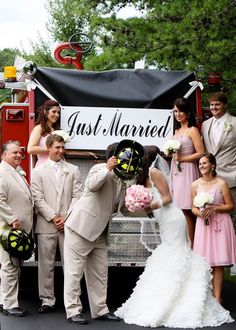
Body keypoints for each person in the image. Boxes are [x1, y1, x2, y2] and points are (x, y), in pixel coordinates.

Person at [115, 146, 234, 328]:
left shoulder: (154, 172)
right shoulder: (142, 175)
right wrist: (138, 205)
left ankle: (182, 300)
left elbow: (168, 198)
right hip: (162, 221)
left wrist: (147, 208)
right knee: (168, 255)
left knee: (177, 254)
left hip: (172, 219)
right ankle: (165, 296)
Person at [63, 140, 144, 324]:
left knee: (100, 274)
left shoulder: (123, 180)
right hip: (80, 228)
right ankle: (73, 311)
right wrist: (106, 168)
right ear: (113, 157)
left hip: (100, 232)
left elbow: (123, 209)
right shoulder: (99, 169)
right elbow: (91, 185)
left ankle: (100, 310)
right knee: (74, 273)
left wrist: (145, 206)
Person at [31, 134, 83, 314]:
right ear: (49, 148)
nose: (61, 150)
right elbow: (37, 198)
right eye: (57, 147)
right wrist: (54, 217)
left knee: (72, 265)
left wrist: (66, 217)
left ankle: (73, 301)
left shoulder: (73, 169)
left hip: (68, 224)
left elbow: (78, 195)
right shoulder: (38, 172)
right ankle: (47, 300)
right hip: (46, 224)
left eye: (62, 147)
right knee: (46, 265)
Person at [192, 152, 236, 303]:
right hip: (204, 225)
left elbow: (231, 206)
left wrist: (215, 209)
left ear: (213, 165)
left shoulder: (221, 183)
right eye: (199, 164)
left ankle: (217, 298)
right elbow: (193, 208)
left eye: (204, 163)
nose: (201, 166)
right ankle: (206, 295)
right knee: (205, 262)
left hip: (220, 224)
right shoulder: (195, 184)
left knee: (218, 263)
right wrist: (200, 213)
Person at [0, 140, 34, 317]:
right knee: (10, 267)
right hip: (9, 229)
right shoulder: (2, 172)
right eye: (14, 152)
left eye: (20, 152)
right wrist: (12, 219)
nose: (19, 155)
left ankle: (4, 301)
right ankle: (10, 305)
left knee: (13, 266)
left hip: (19, 228)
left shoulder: (14, 171)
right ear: (4, 155)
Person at [170, 97, 204, 247]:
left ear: (188, 113)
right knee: (180, 210)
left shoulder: (192, 130)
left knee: (188, 209)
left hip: (188, 170)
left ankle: (192, 246)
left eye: (181, 111)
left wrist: (183, 158)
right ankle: (185, 243)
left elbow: (201, 153)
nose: (178, 114)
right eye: (176, 111)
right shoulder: (176, 130)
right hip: (176, 171)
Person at [27, 99, 97, 167]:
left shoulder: (57, 130)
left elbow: (64, 151)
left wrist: (86, 153)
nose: (57, 115)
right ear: (45, 112)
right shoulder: (39, 128)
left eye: (58, 112)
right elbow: (30, 149)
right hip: (43, 168)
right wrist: (52, 149)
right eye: (54, 112)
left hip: (58, 167)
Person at [201, 92, 236, 223]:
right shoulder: (205, 125)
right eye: (211, 105)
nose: (214, 107)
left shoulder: (235, 122)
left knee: (231, 217)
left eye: (217, 104)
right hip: (210, 179)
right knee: (212, 217)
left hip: (231, 177)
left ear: (225, 105)